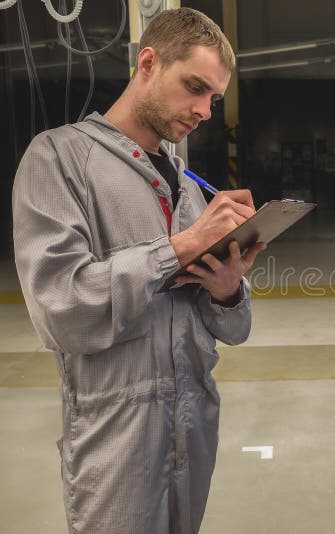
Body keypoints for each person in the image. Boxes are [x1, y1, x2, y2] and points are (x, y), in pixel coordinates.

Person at [12, 8, 266, 533]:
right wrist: (179, 248)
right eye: (194, 87)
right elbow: (62, 312)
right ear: (148, 62)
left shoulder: (189, 186)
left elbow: (234, 330)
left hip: (193, 429)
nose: (203, 110)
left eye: (213, 99)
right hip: (116, 436)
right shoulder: (58, 160)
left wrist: (225, 291)